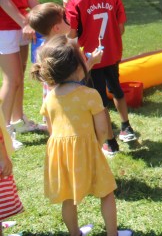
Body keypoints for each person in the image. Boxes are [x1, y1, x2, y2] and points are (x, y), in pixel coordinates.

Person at [32, 35, 132, 236]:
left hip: (60, 156)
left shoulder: (50, 97)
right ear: (79, 67)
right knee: (106, 192)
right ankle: (112, 233)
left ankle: (74, 233)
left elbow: (52, 130)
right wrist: (96, 144)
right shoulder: (90, 94)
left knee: (68, 198)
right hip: (88, 150)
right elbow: (103, 130)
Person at [65, 0, 137, 157]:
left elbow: (71, 33)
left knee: (99, 101)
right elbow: (121, 28)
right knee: (117, 90)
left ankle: (110, 142)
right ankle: (126, 127)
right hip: (112, 54)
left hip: (91, 59)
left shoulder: (75, 1)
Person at [0, 0, 43, 151]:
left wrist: (45, 15)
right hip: (4, 28)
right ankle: (4, 132)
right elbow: (3, 1)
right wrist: (24, 22)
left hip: (22, 25)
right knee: (12, 79)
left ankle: (18, 121)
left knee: (20, 76)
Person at [27, 2, 103, 128]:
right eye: (65, 18)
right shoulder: (64, 50)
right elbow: (74, 79)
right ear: (56, 28)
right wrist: (92, 61)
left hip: (53, 104)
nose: (69, 19)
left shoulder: (42, 49)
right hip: (69, 104)